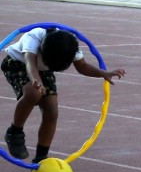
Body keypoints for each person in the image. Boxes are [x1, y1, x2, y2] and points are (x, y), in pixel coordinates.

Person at [3, 27, 125, 163]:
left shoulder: (71, 46)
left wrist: (103, 73)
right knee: (34, 93)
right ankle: (15, 132)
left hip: (44, 71)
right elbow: (30, 64)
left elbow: (82, 66)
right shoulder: (34, 36)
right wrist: (36, 81)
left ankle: (41, 157)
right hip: (18, 63)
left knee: (52, 110)